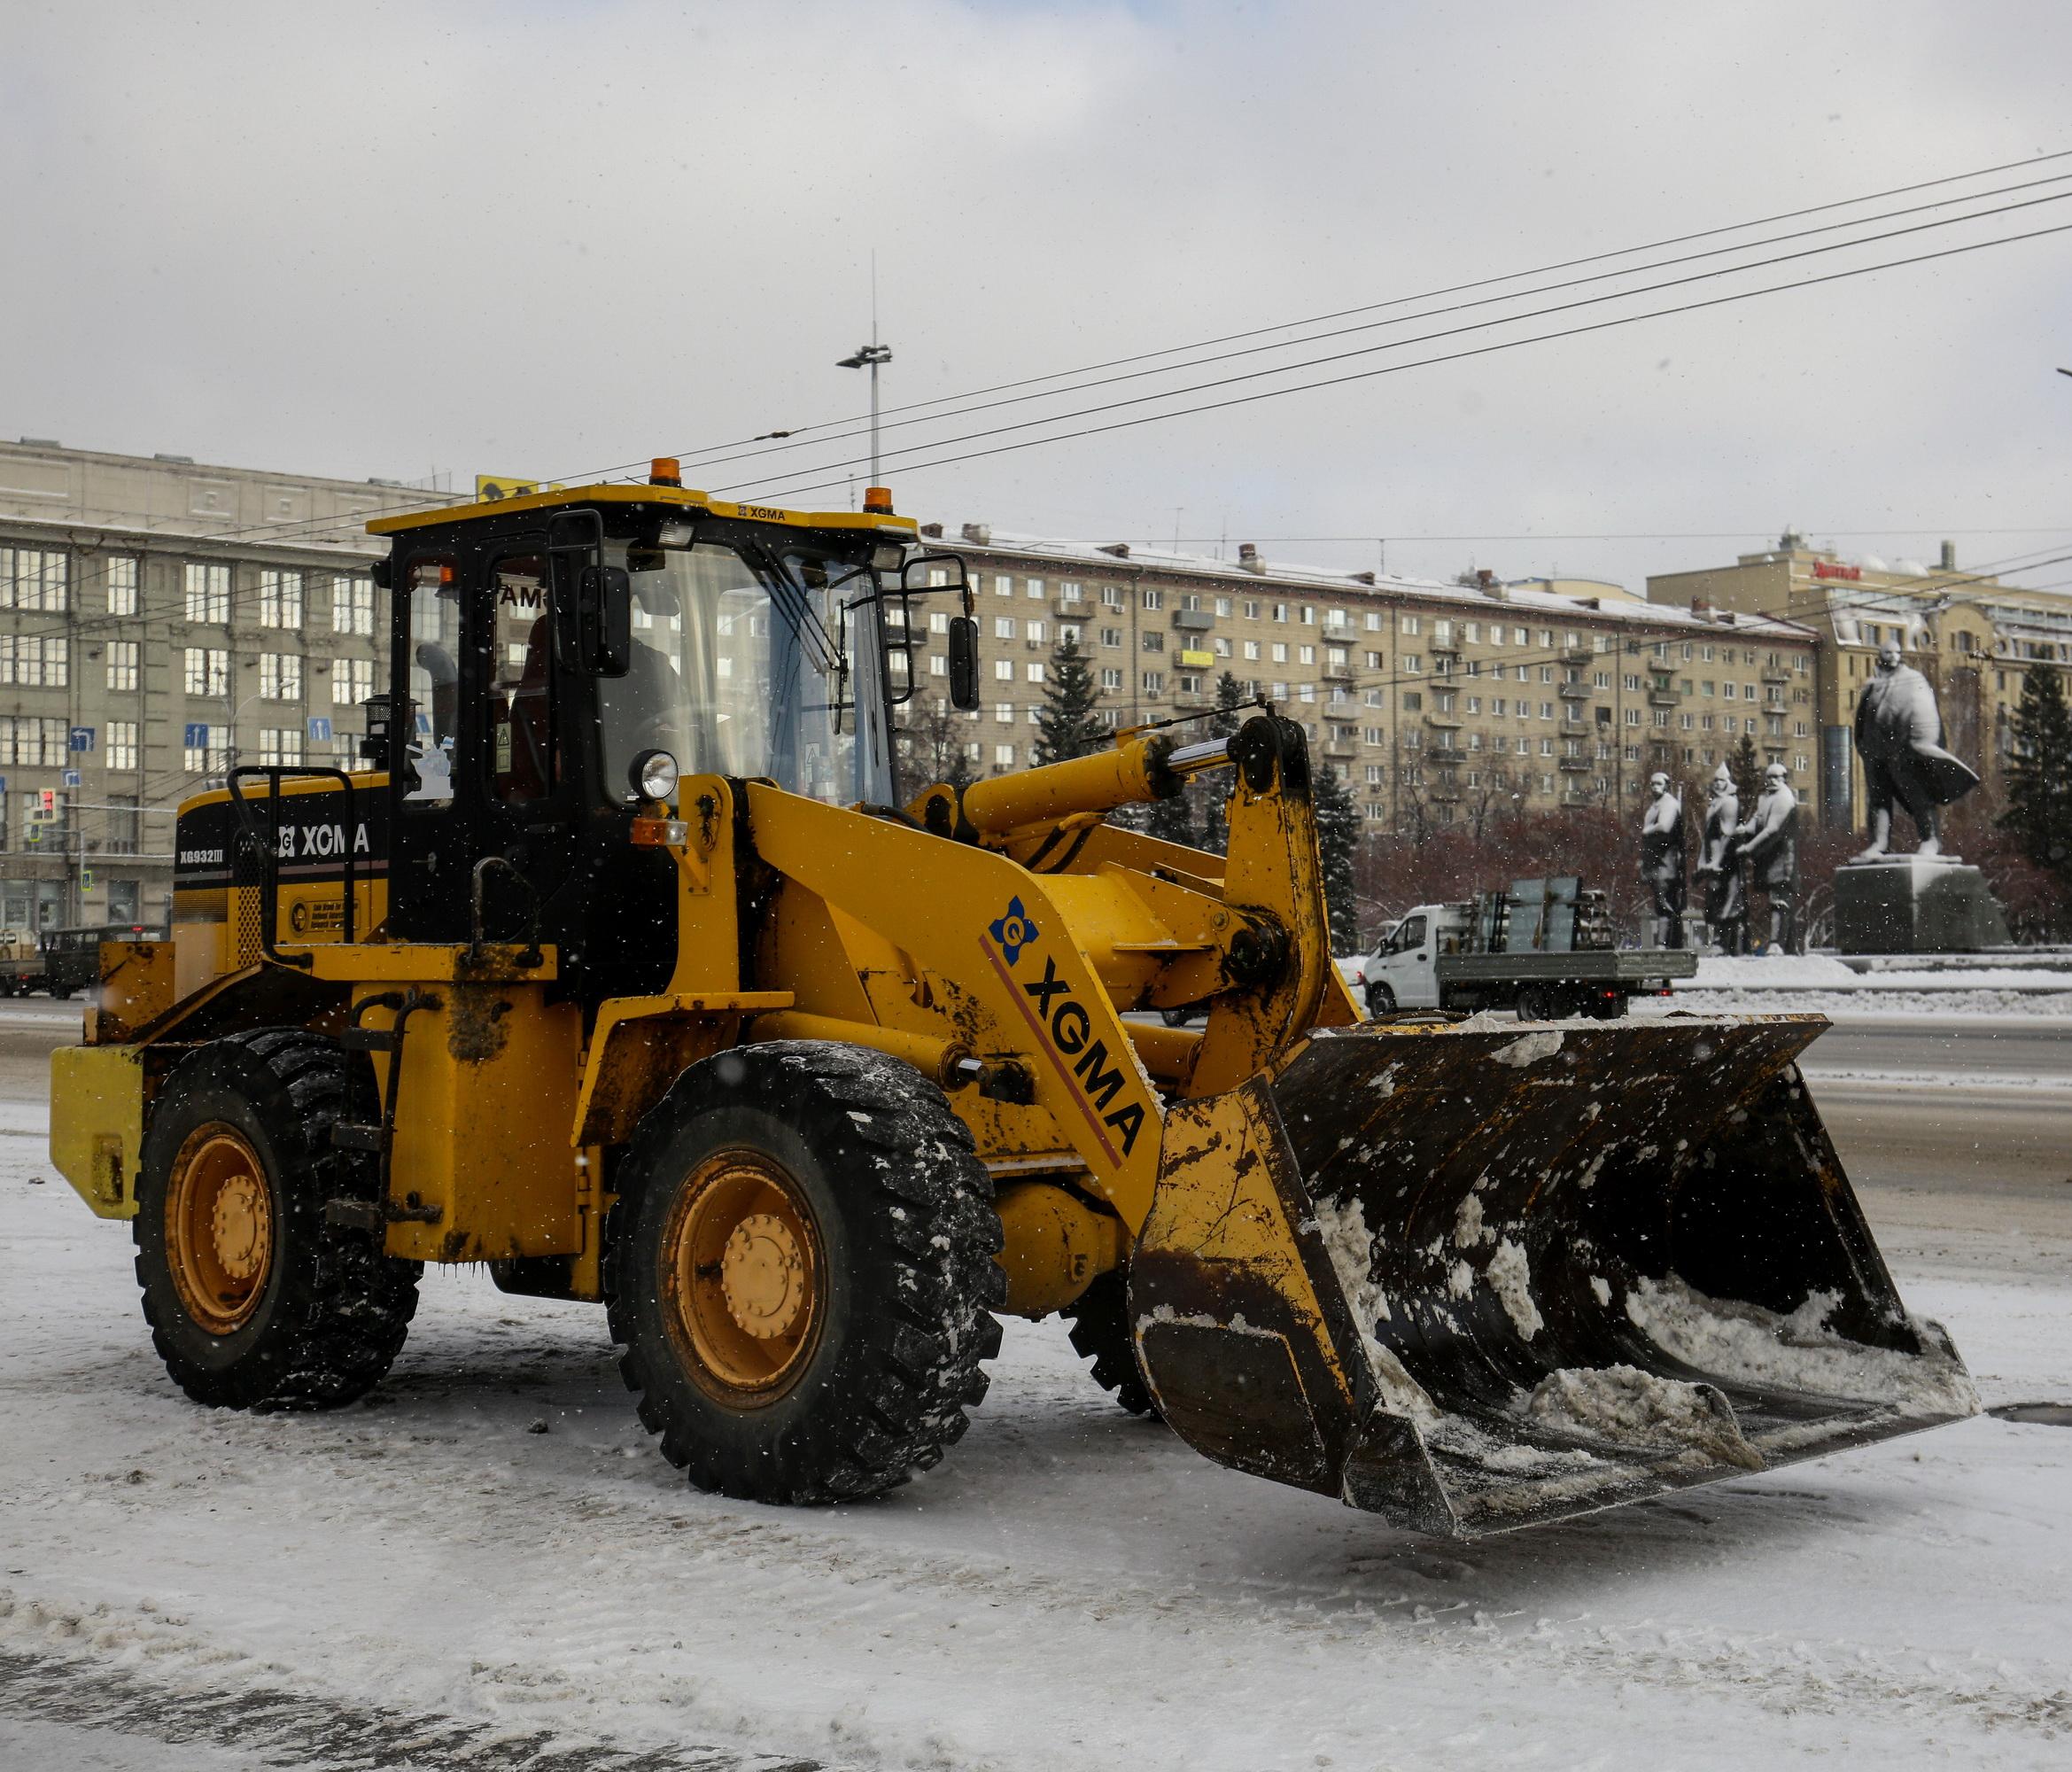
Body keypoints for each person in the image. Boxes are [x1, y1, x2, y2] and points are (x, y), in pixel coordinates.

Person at [1851, 640, 1978, 861]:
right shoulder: (1872, 685)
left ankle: (1930, 840)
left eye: (1896, 652)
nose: (1891, 656)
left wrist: (1921, 744)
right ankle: (1879, 843)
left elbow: (1924, 712)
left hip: (1902, 750)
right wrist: (1863, 747)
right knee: (1879, 800)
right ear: (1879, 655)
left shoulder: (1912, 679)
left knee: (1917, 795)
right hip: (1876, 753)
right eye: (1887, 652)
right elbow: (1861, 719)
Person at [1737, 762, 1800, 952]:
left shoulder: (1783, 798)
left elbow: (1772, 830)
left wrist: (1749, 847)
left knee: (1779, 901)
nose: (1771, 780)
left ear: (1783, 779)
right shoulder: (1767, 799)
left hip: (1782, 861)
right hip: (1772, 860)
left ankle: (1777, 944)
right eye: (1769, 777)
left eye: (1776, 777)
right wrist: (1739, 831)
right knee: (1782, 902)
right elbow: (1754, 824)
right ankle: (1790, 948)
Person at [1694, 763, 1745, 954]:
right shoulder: (1715, 803)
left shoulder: (1729, 803)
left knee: (1725, 902)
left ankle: (1722, 942)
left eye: (1721, 781)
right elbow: (1707, 837)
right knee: (1716, 901)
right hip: (1715, 861)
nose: (1717, 784)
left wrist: (1717, 861)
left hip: (1725, 861)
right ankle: (1721, 942)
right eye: (1715, 780)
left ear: (1727, 783)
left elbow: (1727, 835)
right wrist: (1703, 863)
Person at [1639, 773, 1687, 948]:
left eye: (1658, 783)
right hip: (1655, 860)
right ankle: (1664, 942)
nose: (1654, 787)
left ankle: (1664, 942)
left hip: (1666, 860)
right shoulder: (1655, 805)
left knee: (1665, 903)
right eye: (1652, 784)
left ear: (1666, 785)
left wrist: (1647, 830)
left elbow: (1665, 826)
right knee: (1661, 902)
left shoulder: (1669, 804)